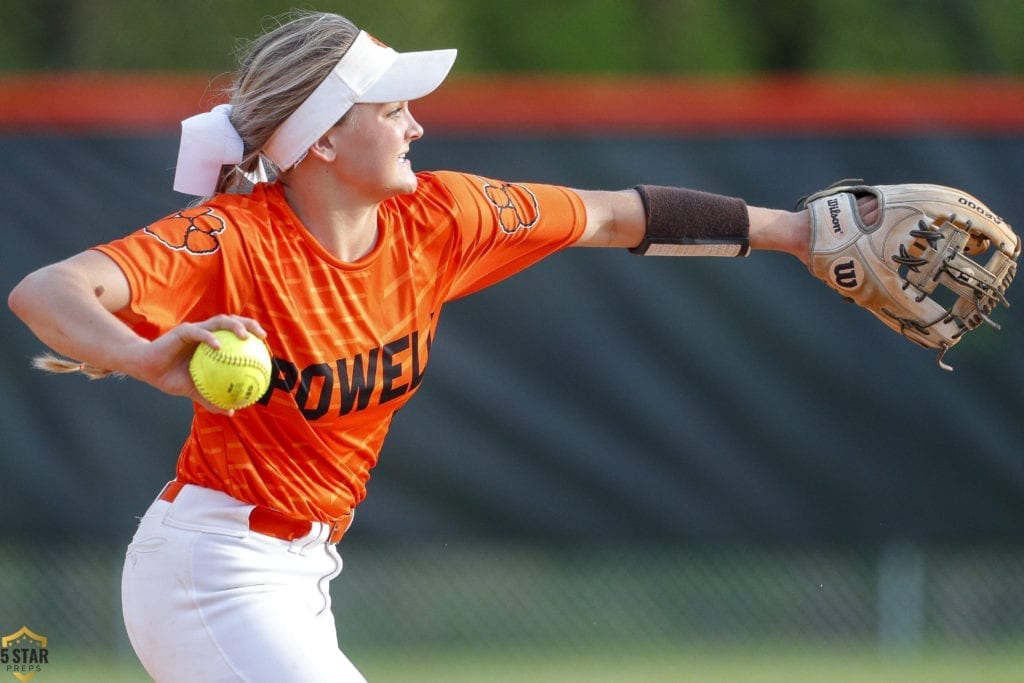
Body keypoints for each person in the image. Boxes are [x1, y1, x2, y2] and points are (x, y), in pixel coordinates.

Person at [7, 9, 877, 683]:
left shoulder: (440, 220)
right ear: (326, 138)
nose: (416, 124)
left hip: (303, 575)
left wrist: (802, 231)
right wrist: (141, 353)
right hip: (211, 570)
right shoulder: (233, 238)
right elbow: (47, 290)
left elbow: (618, 214)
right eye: (392, 109)